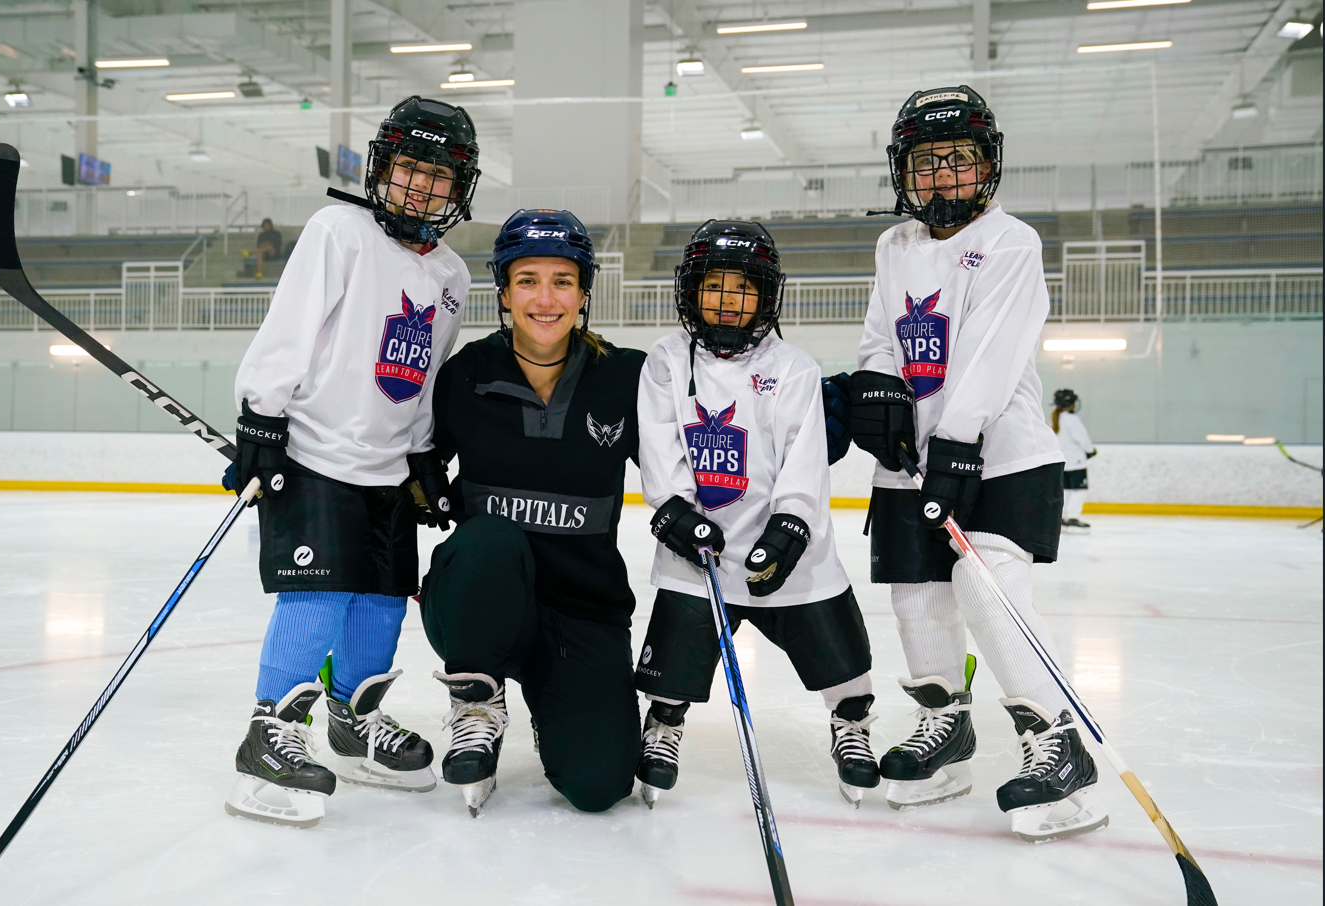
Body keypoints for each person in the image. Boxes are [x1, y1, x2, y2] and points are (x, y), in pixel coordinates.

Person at [834, 85, 1107, 842]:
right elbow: (878, 339)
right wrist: (881, 396)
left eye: (959, 160)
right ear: (904, 172)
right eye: (927, 163)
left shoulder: (1011, 242)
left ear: (986, 166)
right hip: (909, 460)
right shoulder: (894, 247)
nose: (943, 176)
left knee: (985, 585)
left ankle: (1055, 743)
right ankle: (944, 730)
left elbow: (992, 354)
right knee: (915, 599)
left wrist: (952, 443)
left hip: (1001, 455)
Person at [223, 96, 480, 828]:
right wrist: (261, 416)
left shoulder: (454, 275)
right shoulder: (338, 231)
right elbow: (290, 328)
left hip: (390, 468)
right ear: (381, 169)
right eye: (409, 169)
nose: (420, 188)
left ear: (460, 188)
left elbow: (427, 372)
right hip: (313, 454)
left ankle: (354, 724)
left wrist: (426, 455)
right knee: (319, 596)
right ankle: (269, 736)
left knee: (381, 601)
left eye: (438, 176)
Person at [634, 220, 879, 808]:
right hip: (701, 554)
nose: (727, 301)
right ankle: (664, 724)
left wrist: (792, 523)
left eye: (742, 288)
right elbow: (658, 442)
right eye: (714, 287)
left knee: (839, 657)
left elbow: (804, 456)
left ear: (765, 297)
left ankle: (852, 723)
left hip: (788, 556)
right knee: (675, 661)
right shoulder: (668, 361)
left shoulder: (793, 366)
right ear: (690, 292)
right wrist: (671, 507)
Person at [420, 209, 646, 816]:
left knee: (600, 786)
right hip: (485, 605)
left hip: (585, 614)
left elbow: (703, 453)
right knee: (488, 539)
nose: (544, 299)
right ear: (502, 291)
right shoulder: (464, 375)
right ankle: (477, 698)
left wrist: (818, 412)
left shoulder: (627, 377)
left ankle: (557, 708)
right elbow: (399, 457)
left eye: (562, 281)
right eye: (527, 280)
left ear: (584, 293)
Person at [1052, 389, 1096, 532]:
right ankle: (1073, 518)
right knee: (1079, 490)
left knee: (1066, 490)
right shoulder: (1072, 419)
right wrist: (1090, 450)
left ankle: (1064, 518)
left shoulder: (1056, 418)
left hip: (1063, 461)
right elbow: (1082, 439)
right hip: (1076, 461)